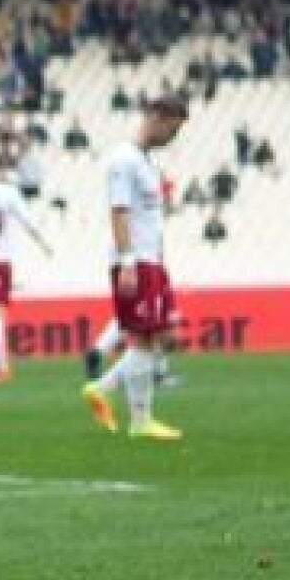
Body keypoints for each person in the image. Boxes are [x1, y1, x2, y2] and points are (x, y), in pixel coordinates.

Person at [82, 95, 189, 440]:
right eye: (173, 129)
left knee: (167, 336)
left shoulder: (146, 163)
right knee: (144, 338)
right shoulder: (123, 160)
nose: (173, 137)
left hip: (152, 261)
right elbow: (119, 211)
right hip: (135, 261)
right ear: (156, 117)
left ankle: (103, 388)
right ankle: (140, 420)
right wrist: (128, 262)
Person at [0, 158, 52, 383]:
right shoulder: (7, 192)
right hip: (0, 260)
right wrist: (44, 245)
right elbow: (28, 220)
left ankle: (2, 365)